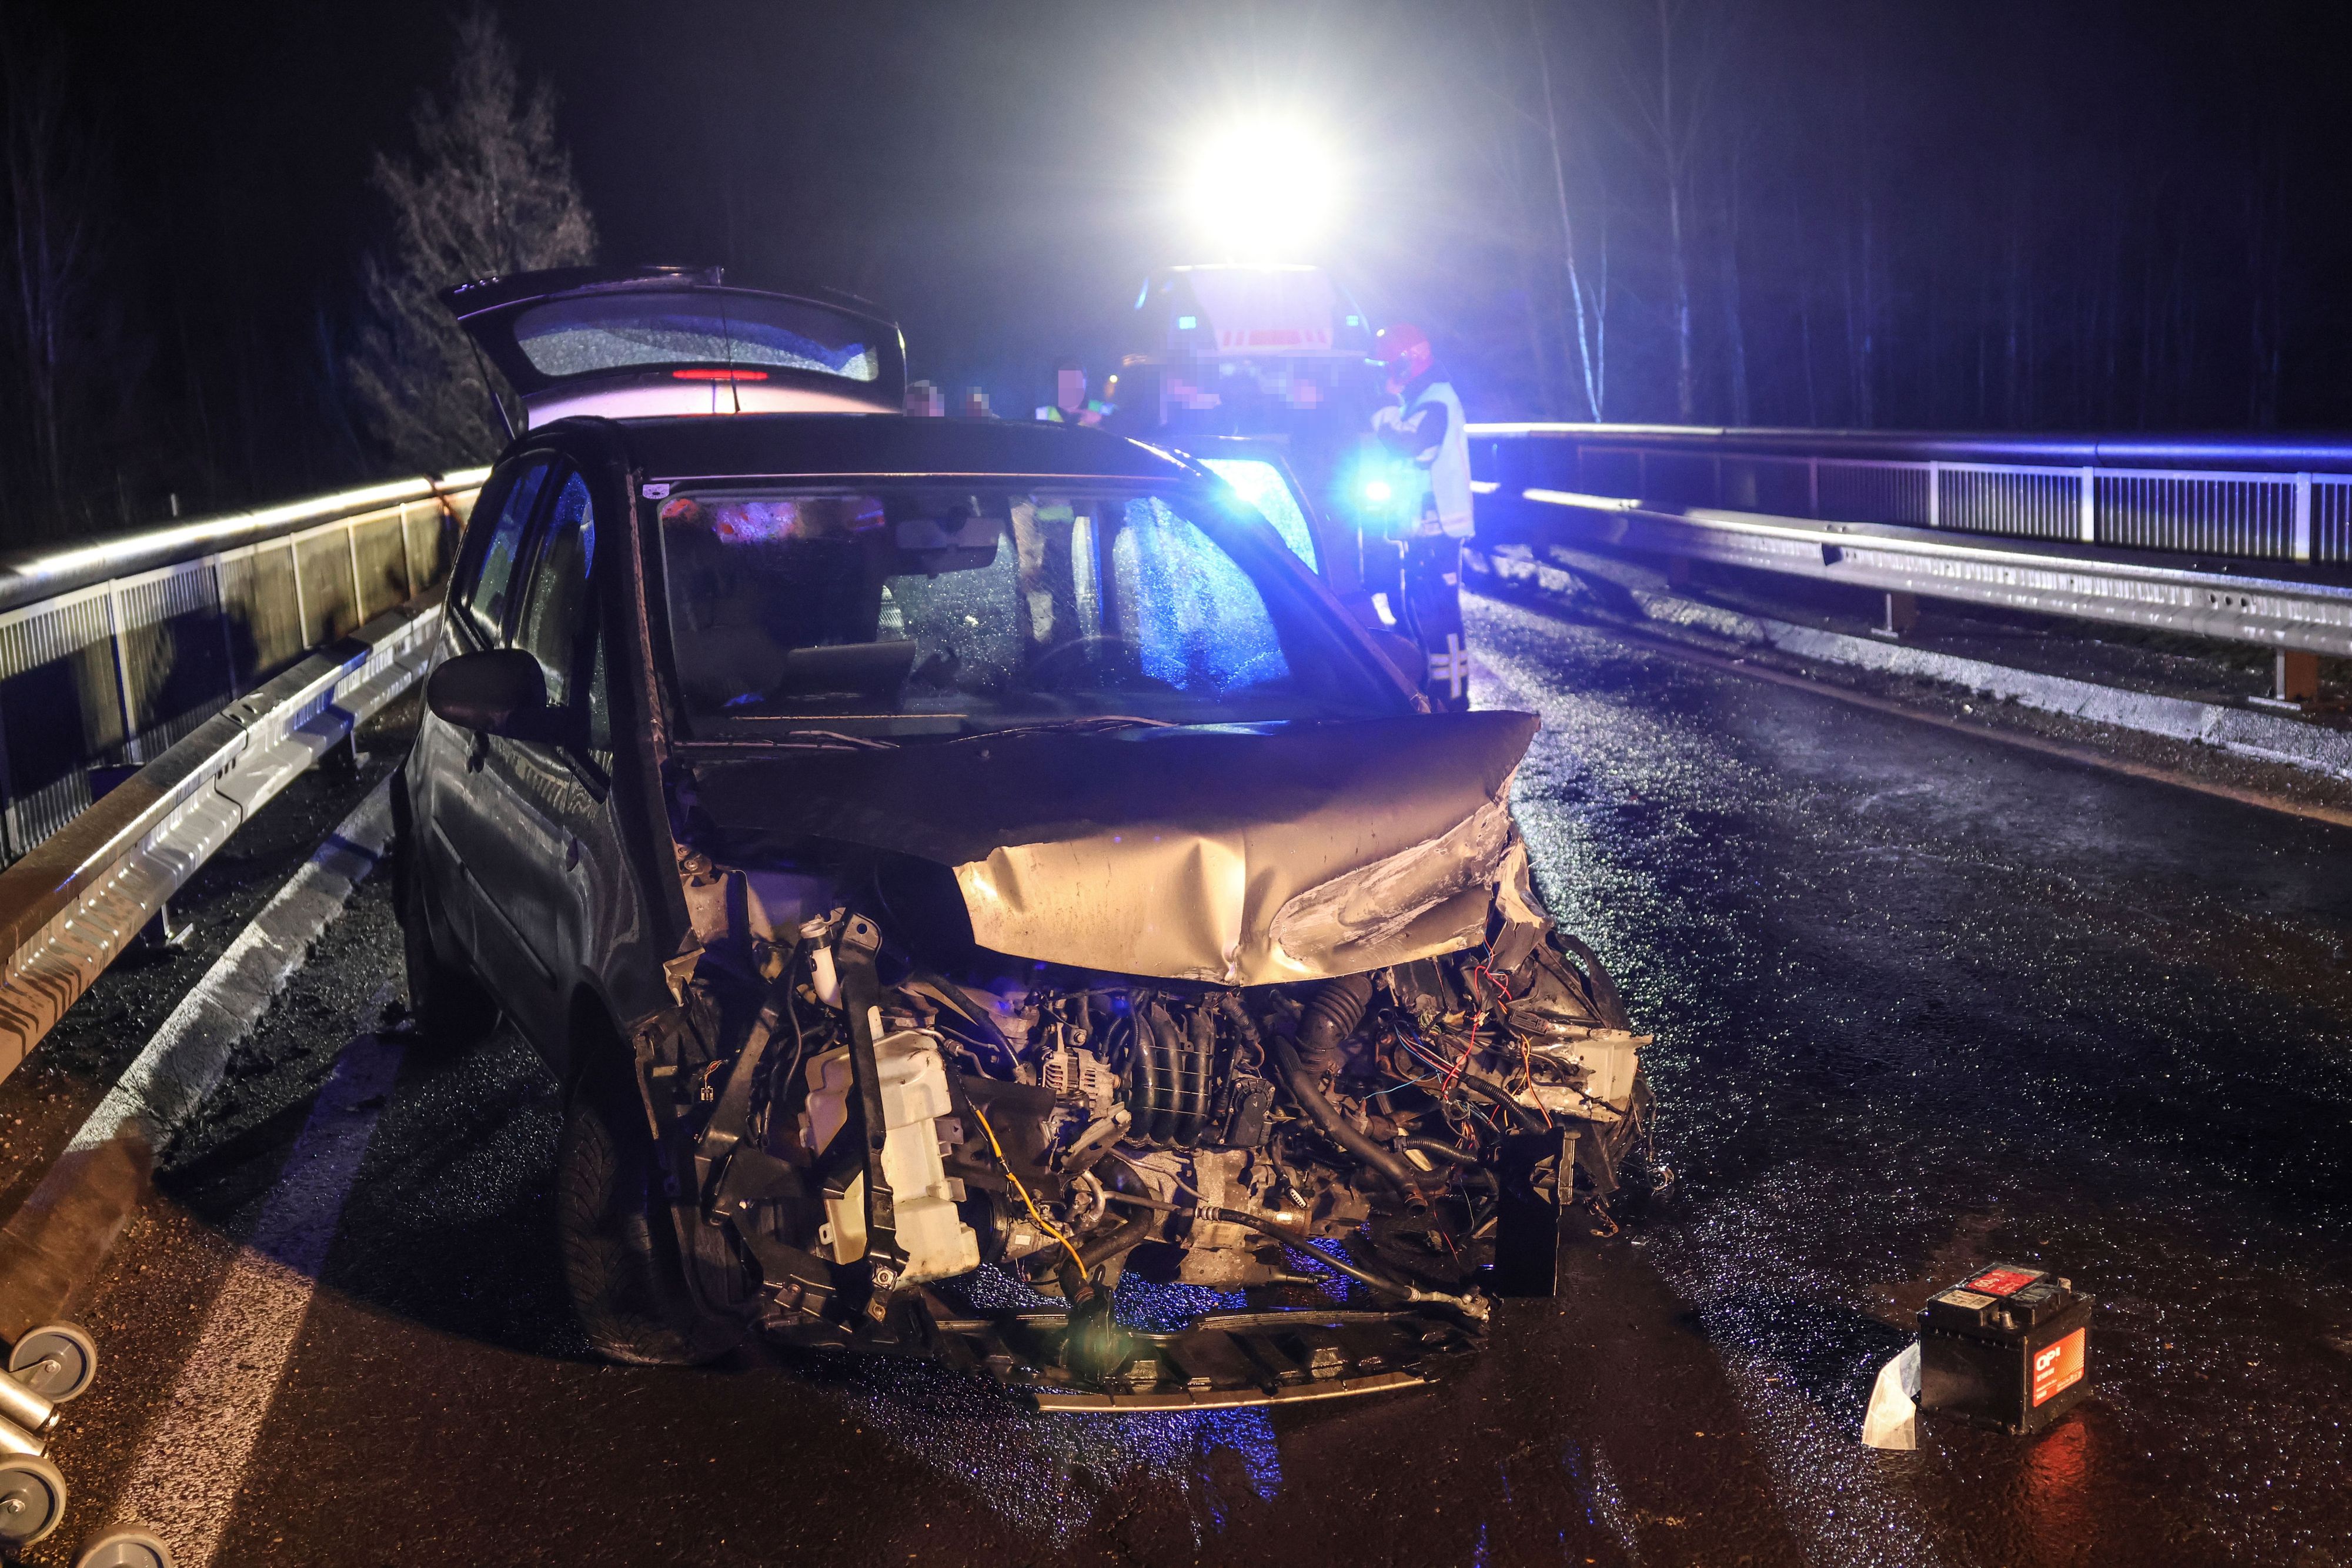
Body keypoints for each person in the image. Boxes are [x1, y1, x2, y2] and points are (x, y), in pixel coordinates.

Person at [1369, 322, 1474, 711]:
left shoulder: (1436, 399)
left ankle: (1451, 698)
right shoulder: (1422, 399)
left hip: (1439, 529)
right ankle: (1443, 690)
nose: (1384, 373)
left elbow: (1407, 444)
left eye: (1388, 365)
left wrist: (1384, 404)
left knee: (1439, 615)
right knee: (1422, 610)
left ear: (1408, 361)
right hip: (1425, 530)